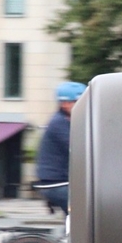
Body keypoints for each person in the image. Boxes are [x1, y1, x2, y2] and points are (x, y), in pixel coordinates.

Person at [35, 81, 84, 214]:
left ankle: (68, 234)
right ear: (65, 103)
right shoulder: (59, 123)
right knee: (85, 213)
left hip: (62, 181)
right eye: (78, 102)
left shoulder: (70, 121)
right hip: (56, 183)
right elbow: (80, 149)